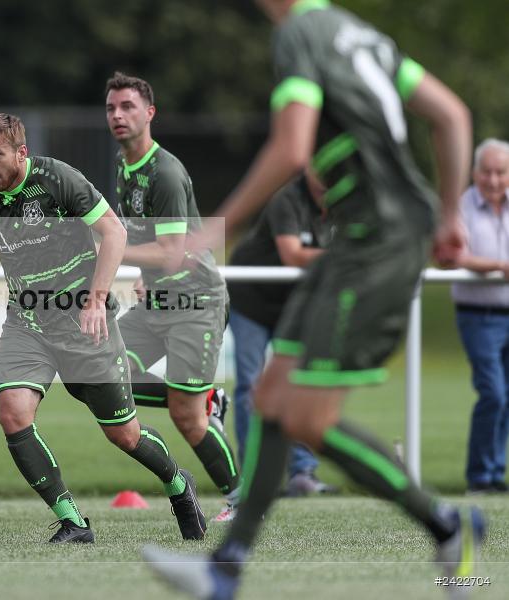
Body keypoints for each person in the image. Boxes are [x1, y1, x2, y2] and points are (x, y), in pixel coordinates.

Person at [143, 1, 483, 598]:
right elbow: (451, 116)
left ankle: (448, 523)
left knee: (308, 417)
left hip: (376, 241)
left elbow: (291, 148)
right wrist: (450, 214)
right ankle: (225, 571)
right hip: (368, 235)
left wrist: (213, 228)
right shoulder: (359, 33)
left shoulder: (298, 32)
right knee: (273, 396)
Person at [0, 112, 206, 543]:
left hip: (84, 323)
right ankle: (73, 520)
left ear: (21, 152)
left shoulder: (57, 179)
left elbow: (114, 234)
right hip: (27, 322)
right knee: (12, 413)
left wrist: (96, 299)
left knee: (123, 434)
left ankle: (179, 485)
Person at [105, 72, 241, 522]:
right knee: (101, 371)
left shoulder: (163, 172)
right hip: (157, 303)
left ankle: (241, 501)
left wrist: (112, 251)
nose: (118, 115)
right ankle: (203, 397)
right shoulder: (124, 167)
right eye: (111, 108)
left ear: (150, 113)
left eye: (128, 106)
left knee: (187, 419)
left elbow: (170, 252)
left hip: (196, 303)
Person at [227, 170, 337, 496]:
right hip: (250, 298)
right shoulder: (287, 199)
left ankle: (302, 473)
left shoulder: (347, 201)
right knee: (251, 384)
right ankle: (254, 477)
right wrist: (346, 257)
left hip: (293, 304)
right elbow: (293, 254)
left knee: (301, 384)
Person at [452, 138, 509, 494]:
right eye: (486, 171)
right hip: (478, 315)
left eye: (500, 172)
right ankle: (479, 475)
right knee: (493, 393)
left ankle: (493, 472)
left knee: (508, 396)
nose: (493, 179)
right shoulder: (461, 208)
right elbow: (455, 254)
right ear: (475, 173)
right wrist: (499, 266)